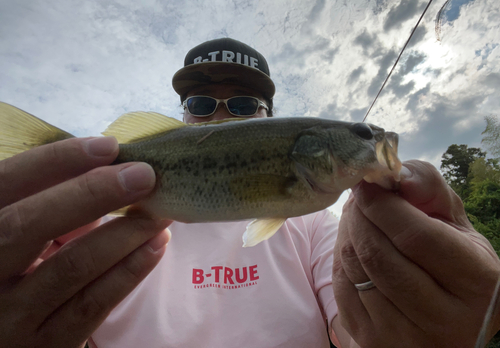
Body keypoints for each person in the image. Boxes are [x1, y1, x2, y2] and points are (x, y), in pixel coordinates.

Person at [0, 38, 498, 348]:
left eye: (242, 104)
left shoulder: (314, 222)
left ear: (269, 116)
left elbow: (355, 331)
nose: (219, 115)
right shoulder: (96, 226)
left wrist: (424, 326)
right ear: (182, 116)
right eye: (199, 103)